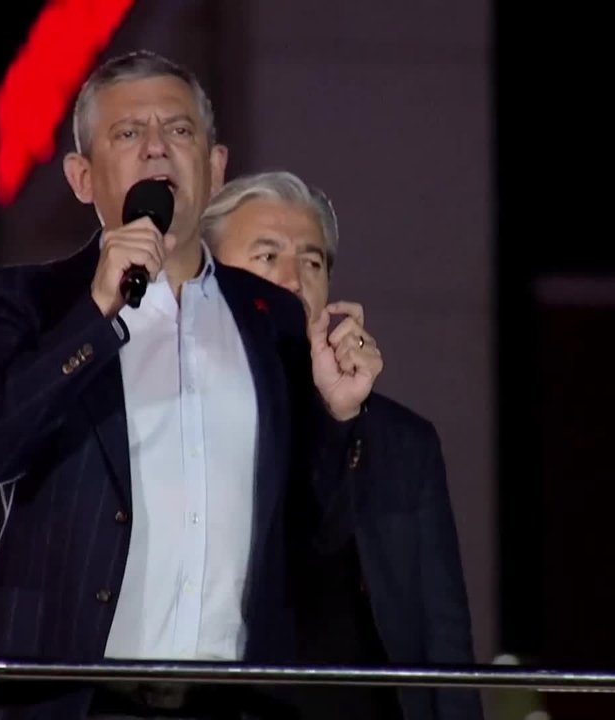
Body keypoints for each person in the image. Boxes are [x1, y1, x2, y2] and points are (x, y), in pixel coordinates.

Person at [0, 53, 379, 720]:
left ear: (216, 168)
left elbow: (314, 534)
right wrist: (94, 314)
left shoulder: (274, 319)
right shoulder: (25, 301)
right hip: (70, 698)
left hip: (231, 704)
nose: (155, 148)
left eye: (178, 131)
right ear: (82, 178)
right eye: (128, 133)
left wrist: (338, 418)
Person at [202, 170, 483, 720]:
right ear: (206, 275)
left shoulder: (402, 443)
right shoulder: (173, 418)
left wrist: (340, 419)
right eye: (267, 256)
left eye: (312, 263)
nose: (292, 280)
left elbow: (444, 641)